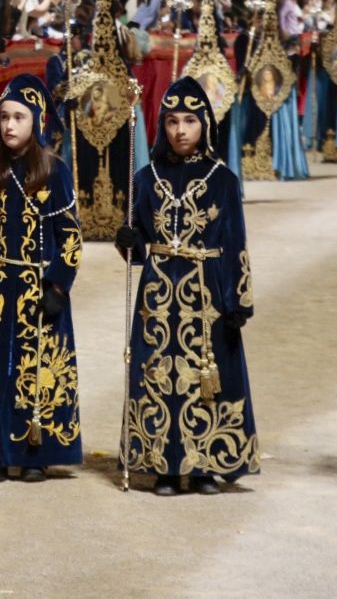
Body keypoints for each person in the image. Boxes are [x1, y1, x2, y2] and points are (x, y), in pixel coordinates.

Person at [113, 75, 256, 495]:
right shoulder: (145, 177)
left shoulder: (222, 179)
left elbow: (235, 243)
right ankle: (163, 465)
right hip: (158, 296)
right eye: (172, 121)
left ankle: (204, 465)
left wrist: (238, 301)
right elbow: (139, 248)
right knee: (159, 374)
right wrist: (129, 242)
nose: (180, 130)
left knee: (204, 377)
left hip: (206, 293)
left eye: (190, 121)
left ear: (205, 125)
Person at [0, 74, 81, 484]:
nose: (9, 125)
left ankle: (33, 451)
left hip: (39, 285)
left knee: (36, 364)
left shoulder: (54, 172)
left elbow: (71, 237)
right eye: (4, 117)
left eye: (19, 117)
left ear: (37, 122)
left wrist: (58, 286)